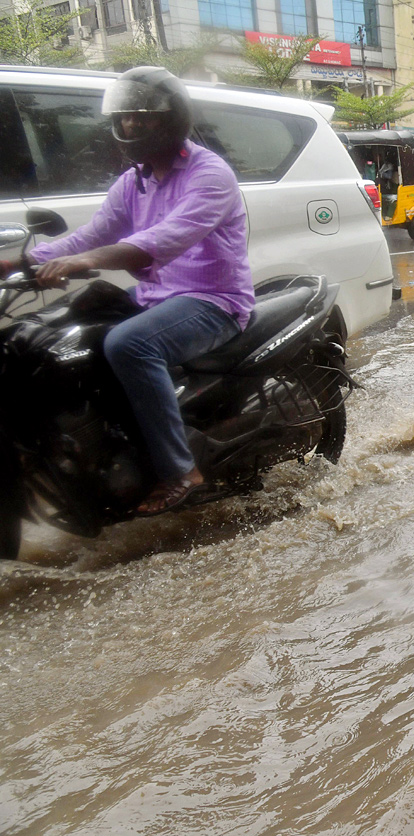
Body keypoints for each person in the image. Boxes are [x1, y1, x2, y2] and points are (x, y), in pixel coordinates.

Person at [23, 67, 254, 515]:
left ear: (170, 120)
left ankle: (180, 471)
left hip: (214, 301)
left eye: (142, 118)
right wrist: (25, 262)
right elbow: (92, 233)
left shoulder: (209, 174)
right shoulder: (135, 180)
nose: (130, 126)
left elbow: (165, 238)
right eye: (125, 118)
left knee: (128, 344)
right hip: (157, 298)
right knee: (61, 333)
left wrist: (88, 262)